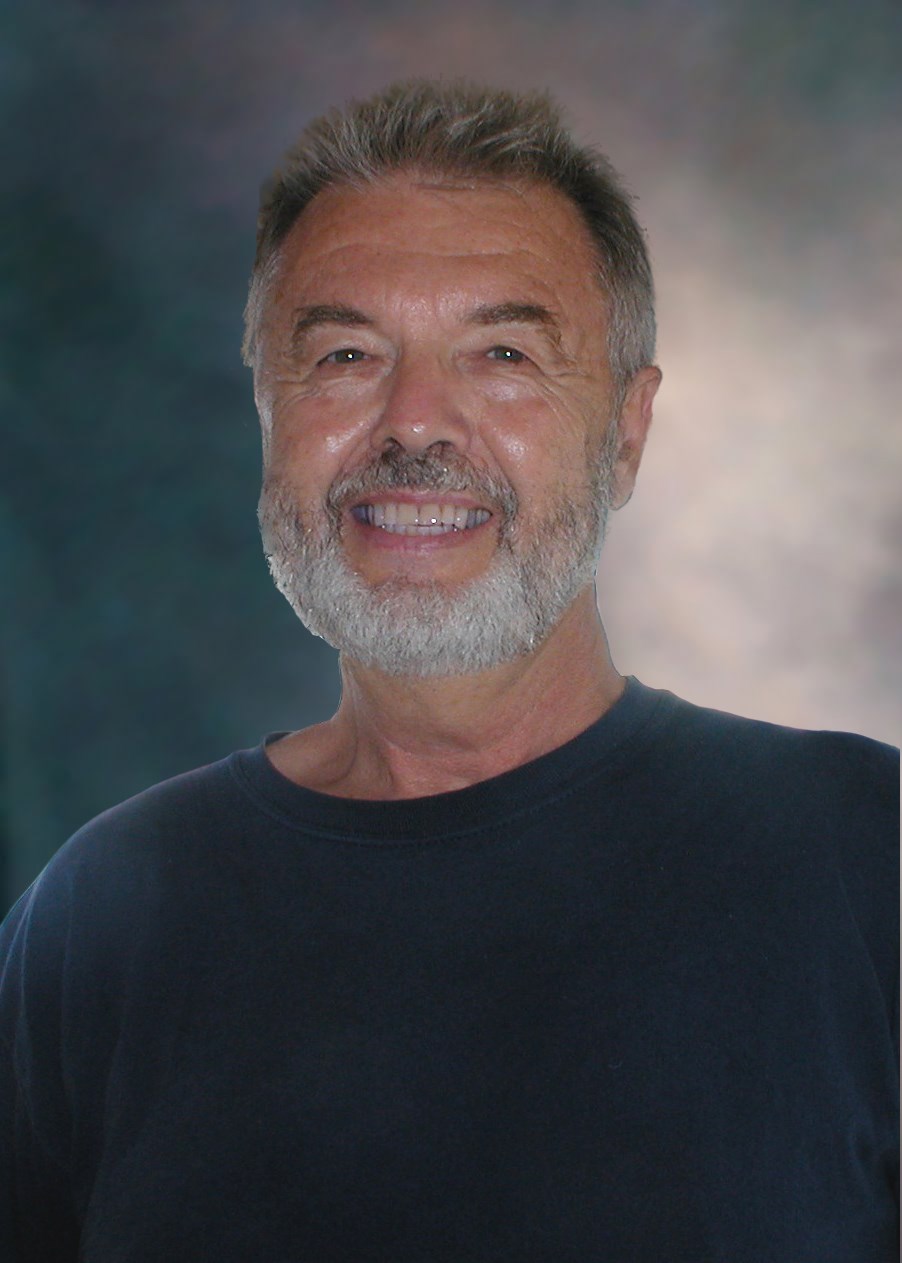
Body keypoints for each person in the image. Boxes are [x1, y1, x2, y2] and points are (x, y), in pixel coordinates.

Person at [1, 79, 898, 1262]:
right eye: (345, 354)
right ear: (268, 410)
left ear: (625, 434)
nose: (414, 421)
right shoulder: (98, 921)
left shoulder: (860, 858)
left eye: (502, 353)